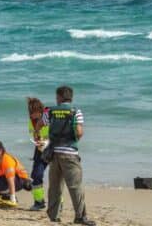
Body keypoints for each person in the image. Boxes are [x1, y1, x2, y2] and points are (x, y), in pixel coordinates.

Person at [44, 86, 96, 225]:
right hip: (69, 153)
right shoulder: (75, 111)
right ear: (70, 97)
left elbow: (39, 125)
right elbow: (79, 132)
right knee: (75, 186)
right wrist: (74, 140)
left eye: (56, 96)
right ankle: (80, 216)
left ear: (60, 97)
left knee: (55, 186)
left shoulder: (49, 110)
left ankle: (53, 216)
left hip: (54, 153)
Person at [27, 97, 51, 211]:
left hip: (53, 148)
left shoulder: (50, 118)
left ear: (40, 111)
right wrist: (38, 140)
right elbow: (34, 136)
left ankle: (57, 203)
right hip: (40, 149)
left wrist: (46, 142)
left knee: (55, 177)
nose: (31, 115)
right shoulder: (31, 121)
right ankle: (39, 202)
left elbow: (58, 135)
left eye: (34, 112)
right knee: (36, 175)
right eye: (30, 112)